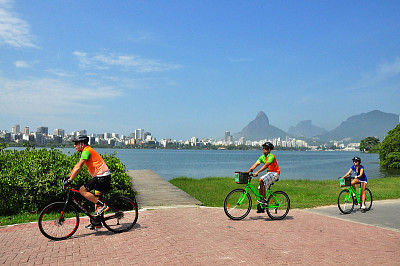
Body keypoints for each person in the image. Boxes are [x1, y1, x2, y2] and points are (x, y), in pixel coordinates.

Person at [64, 135, 112, 229]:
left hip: (102, 176)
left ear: (82, 144)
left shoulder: (86, 151)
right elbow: (76, 166)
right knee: (96, 199)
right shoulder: (86, 151)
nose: (75, 146)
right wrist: (68, 177)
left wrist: (70, 181)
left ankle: (103, 206)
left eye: (76, 143)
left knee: (82, 190)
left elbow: (79, 167)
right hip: (102, 176)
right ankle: (97, 222)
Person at [247, 141, 280, 213]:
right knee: (260, 188)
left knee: (261, 180)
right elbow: (255, 165)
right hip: (269, 174)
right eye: (263, 148)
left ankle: (264, 200)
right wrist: (248, 172)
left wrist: (257, 172)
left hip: (275, 173)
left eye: (266, 148)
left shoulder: (271, 156)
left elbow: (266, 165)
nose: (264, 150)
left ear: (270, 150)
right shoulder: (262, 157)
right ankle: (262, 206)